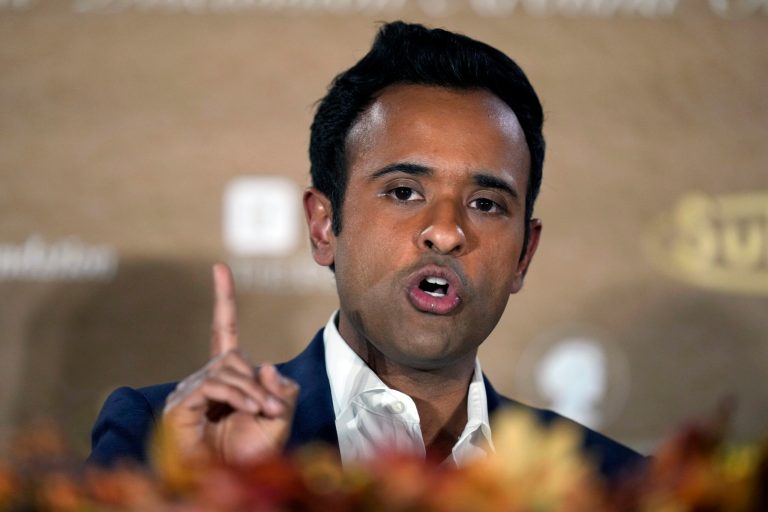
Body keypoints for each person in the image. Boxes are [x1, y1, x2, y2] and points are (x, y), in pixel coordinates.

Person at [89, 21, 645, 480]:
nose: (446, 232)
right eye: (404, 192)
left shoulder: (608, 483)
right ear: (323, 226)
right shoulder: (162, 442)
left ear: (524, 254)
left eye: (485, 203)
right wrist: (206, 493)